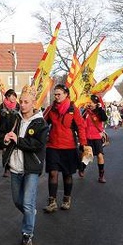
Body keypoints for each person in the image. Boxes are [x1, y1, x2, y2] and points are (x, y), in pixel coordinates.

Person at [2, 88, 49, 245]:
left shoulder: (40, 122)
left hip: (31, 168)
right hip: (15, 166)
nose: (22, 105)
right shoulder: (15, 118)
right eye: (21, 101)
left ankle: (27, 233)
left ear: (33, 103)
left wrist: (18, 140)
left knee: (28, 203)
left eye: (26, 102)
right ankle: (30, 214)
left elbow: (38, 145)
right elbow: (3, 135)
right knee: (17, 201)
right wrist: (6, 139)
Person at [43, 84, 88, 212]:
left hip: (69, 147)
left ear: (66, 94)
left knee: (67, 175)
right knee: (52, 173)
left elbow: (80, 127)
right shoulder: (51, 108)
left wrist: (83, 143)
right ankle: (52, 202)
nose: (56, 96)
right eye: (55, 94)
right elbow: (42, 123)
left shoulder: (73, 109)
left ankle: (66, 199)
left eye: (59, 94)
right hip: (53, 146)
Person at [79, 94, 109, 183]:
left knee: (100, 155)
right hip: (87, 137)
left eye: (91, 102)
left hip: (97, 137)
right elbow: (80, 122)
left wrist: (100, 109)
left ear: (96, 104)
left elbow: (104, 118)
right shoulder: (85, 112)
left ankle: (101, 176)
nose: (90, 104)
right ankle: (82, 168)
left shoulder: (100, 112)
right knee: (87, 156)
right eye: (89, 102)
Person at [0, 88, 20, 177]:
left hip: (15, 131)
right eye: (12, 96)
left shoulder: (18, 106)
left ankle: (13, 167)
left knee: (14, 150)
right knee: (5, 150)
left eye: (15, 96)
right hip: (5, 131)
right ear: (7, 96)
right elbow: (1, 118)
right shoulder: (2, 106)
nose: (14, 98)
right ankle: (6, 168)